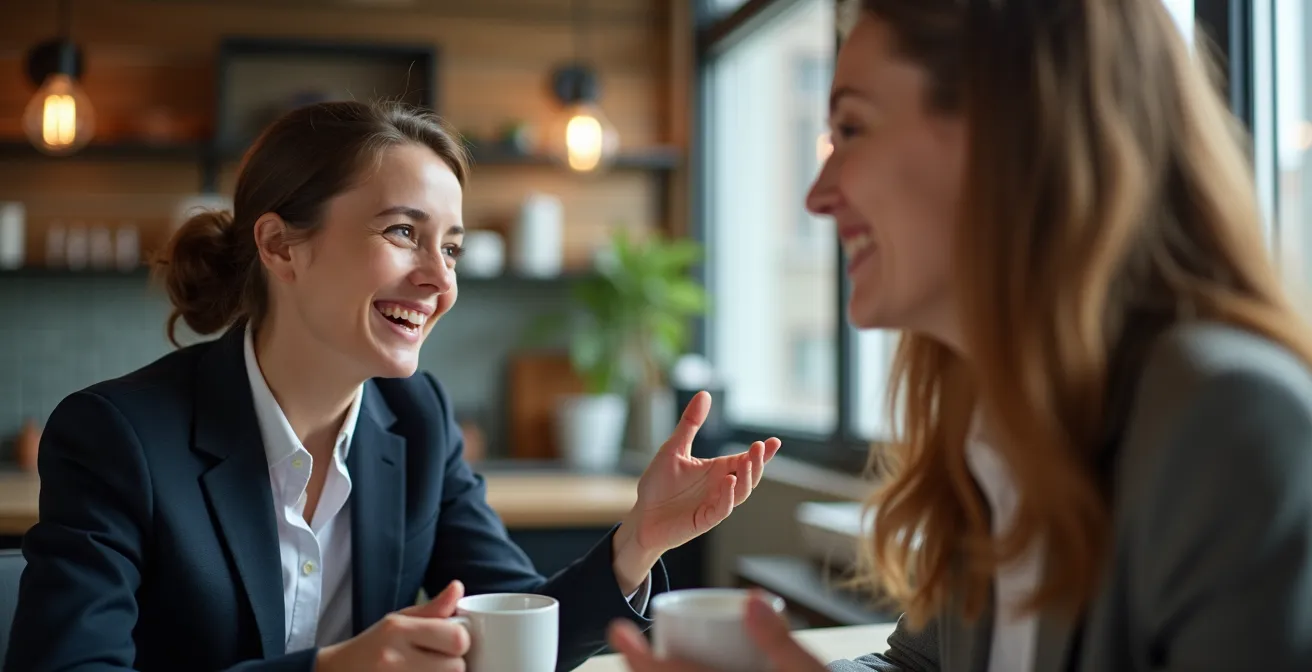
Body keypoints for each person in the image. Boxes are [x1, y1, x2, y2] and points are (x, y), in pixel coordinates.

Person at [609, 0, 1312, 670]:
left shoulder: (1233, 430)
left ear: (1012, 134)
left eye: (851, 130)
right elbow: (918, 666)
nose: (818, 195)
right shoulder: (990, 425)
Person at [4, 100, 781, 672]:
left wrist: (636, 544)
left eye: (452, 247)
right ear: (281, 245)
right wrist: (328, 671)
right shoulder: (117, 435)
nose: (439, 279)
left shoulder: (418, 421)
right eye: (403, 232)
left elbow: (512, 622)